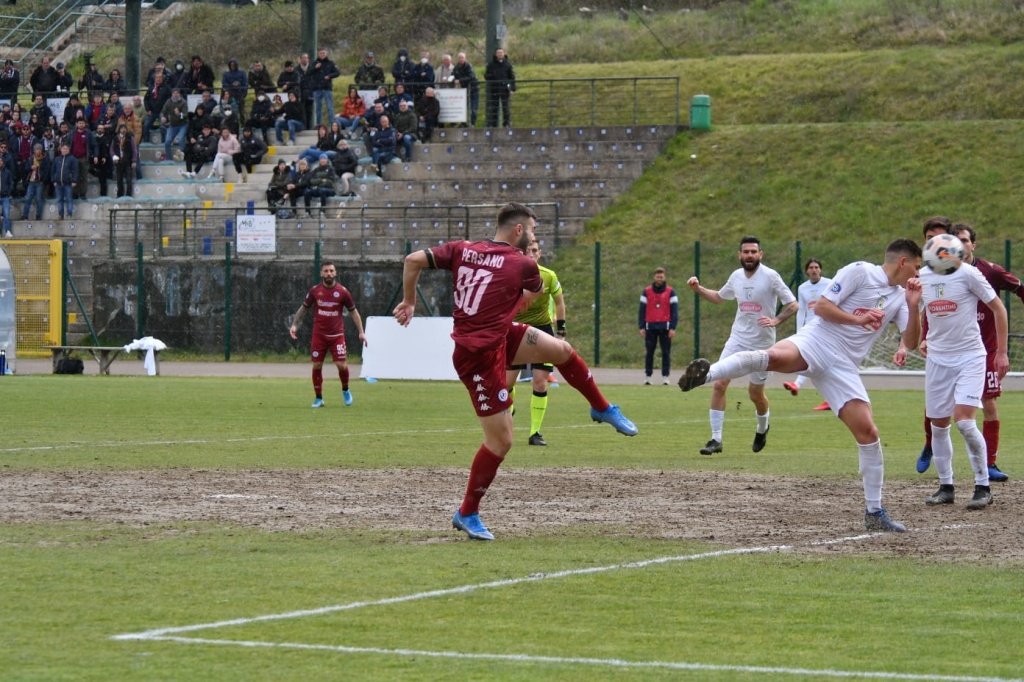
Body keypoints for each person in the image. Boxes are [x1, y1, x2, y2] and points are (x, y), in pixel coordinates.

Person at [393, 202, 638, 541]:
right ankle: (466, 512)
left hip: (501, 335)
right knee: (502, 440)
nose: (534, 239)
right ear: (519, 231)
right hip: (477, 354)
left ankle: (601, 407)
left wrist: (409, 301)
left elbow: (412, 260)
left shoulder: (463, 248)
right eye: (533, 231)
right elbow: (535, 292)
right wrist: (518, 296)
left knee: (562, 350)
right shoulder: (523, 263)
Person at [679, 239, 925, 533]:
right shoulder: (860, 271)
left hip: (843, 365)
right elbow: (822, 307)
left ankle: (874, 512)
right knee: (770, 357)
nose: (918, 273)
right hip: (818, 341)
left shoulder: (902, 295)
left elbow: (910, 342)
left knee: (869, 432)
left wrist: (913, 306)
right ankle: (705, 375)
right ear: (903, 262)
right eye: (917, 266)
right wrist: (857, 319)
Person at [918, 223, 1024, 484]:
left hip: (982, 349)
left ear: (973, 245)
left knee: (986, 404)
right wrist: (922, 338)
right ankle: (930, 445)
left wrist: (1001, 352)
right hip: (944, 350)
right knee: (936, 412)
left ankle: (989, 465)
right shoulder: (934, 274)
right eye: (957, 240)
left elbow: (1017, 293)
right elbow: (930, 309)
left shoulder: (987, 271)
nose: (962, 245)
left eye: (966, 240)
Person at [686, 236, 797, 455]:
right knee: (719, 384)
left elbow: (793, 304)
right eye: (745, 252)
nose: (749, 255)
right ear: (739, 255)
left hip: (763, 345)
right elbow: (719, 297)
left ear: (760, 254)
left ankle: (762, 428)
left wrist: (776, 320)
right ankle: (715, 440)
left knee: (755, 394)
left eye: (753, 252)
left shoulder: (771, 276)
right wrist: (698, 288)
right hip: (737, 340)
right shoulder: (736, 277)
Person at [506, 238, 566, 447]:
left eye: (534, 251)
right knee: (506, 384)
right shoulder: (512, 275)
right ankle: (509, 408)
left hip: (542, 331)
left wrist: (561, 331)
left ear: (539, 253)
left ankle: (535, 433)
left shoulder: (549, 276)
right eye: (526, 251)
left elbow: (559, 302)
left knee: (539, 382)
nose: (530, 254)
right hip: (515, 332)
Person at [289, 261, 367, 408]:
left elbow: (353, 312)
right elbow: (303, 308)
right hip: (319, 335)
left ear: (335, 273)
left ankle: (345, 389)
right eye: (326, 271)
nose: (329, 273)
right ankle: (319, 398)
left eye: (331, 271)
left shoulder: (343, 292)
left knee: (341, 365)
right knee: (317, 365)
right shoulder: (314, 291)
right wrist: (294, 325)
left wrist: (361, 332)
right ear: (321, 273)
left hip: (337, 335)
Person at [782, 258, 833, 410]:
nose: (814, 270)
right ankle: (799, 385)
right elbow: (802, 310)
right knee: (812, 360)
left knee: (815, 360)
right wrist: (799, 331)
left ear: (821, 270)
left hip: (825, 327)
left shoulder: (829, 283)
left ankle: (798, 384)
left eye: (817, 267)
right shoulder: (803, 288)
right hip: (810, 329)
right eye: (811, 267)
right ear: (806, 271)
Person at [638, 267, 678, 385]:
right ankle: (648, 376)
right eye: (657, 276)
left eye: (661, 277)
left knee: (666, 352)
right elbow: (642, 310)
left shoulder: (671, 292)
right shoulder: (647, 291)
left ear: (664, 277)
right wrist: (641, 326)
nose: (659, 279)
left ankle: (665, 376)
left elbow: (674, 311)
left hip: (665, 327)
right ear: (654, 277)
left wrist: (673, 327)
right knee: (649, 352)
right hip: (650, 327)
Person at [484, 48, 516, 127]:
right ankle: (493, 124)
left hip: (504, 89)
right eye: (498, 53)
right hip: (495, 88)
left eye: (501, 52)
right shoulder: (491, 64)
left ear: (504, 53)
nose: (500, 54)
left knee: (506, 107)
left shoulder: (508, 64)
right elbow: (486, 75)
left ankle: (506, 123)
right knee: (494, 107)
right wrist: (493, 76)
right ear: (496, 54)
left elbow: (512, 77)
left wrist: (512, 88)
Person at [310, 48, 340, 127]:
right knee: (318, 108)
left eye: (323, 53)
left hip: (327, 88)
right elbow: (308, 73)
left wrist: (329, 76)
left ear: (326, 53)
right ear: (318, 54)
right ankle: (319, 124)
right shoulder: (314, 63)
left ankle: (331, 123)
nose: (322, 55)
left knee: (329, 107)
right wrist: (315, 68)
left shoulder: (330, 63)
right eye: (320, 53)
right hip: (317, 88)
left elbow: (337, 73)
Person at [68, 119, 97, 201]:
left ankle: (83, 194)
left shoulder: (89, 134)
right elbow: (68, 144)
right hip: (74, 158)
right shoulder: (72, 133)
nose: (81, 125)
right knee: (74, 177)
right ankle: (75, 194)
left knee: (83, 177)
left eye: (82, 123)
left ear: (85, 124)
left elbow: (94, 145)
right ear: (77, 124)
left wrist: (95, 156)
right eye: (79, 123)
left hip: (84, 158)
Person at [19, 144, 49, 221]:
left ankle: (38, 216)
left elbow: (47, 171)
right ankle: (25, 216)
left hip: (39, 182)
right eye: (37, 149)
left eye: (39, 149)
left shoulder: (45, 159)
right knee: (28, 198)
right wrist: (30, 168)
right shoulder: (30, 159)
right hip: (31, 181)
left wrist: (43, 180)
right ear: (34, 150)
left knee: (39, 199)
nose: (38, 151)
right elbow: (25, 169)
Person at [110, 122, 138, 198]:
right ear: (119, 130)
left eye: (124, 128)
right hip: (118, 162)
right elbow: (111, 149)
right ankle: (120, 195)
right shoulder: (115, 139)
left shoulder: (130, 138)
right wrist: (113, 156)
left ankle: (128, 195)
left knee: (129, 180)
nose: (123, 130)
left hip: (128, 162)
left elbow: (134, 150)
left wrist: (134, 161)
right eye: (122, 129)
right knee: (119, 180)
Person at [51, 142, 78, 219]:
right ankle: (60, 214)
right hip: (58, 183)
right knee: (59, 199)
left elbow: (75, 171)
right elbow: (53, 171)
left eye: (66, 149)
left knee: (69, 199)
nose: (65, 150)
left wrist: (74, 181)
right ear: (61, 149)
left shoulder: (72, 159)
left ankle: (69, 214)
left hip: (68, 183)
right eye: (63, 148)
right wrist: (54, 180)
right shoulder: (56, 159)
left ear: (69, 150)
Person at [161, 89, 189, 161]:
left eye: (177, 93)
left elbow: (185, 115)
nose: (175, 94)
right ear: (172, 94)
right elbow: (163, 111)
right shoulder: (168, 101)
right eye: (174, 93)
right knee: (167, 142)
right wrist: (163, 117)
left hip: (182, 124)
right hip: (173, 125)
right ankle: (169, 159)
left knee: (181, 139)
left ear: (179, 94)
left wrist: (179, 114)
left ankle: (182, 157)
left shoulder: (183, 102)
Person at [453, 52, 480, 127]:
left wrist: (460, 80)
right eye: (459, 58)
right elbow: (453, 75)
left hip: (474, 88)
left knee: (473, 108)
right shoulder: (457, 67)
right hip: (464, 89)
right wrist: (452, 79)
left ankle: (472, 123)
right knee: (463, 107)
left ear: (465, 58)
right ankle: (463, 123)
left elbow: (471, 76)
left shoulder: (469, 66)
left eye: (462, 58)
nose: (461, 59)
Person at [0, 155, 13, 237]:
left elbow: (10, 183)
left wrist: (8, 193)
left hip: (5, 196)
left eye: (0, 161)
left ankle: (7, 231)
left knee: (7, 214)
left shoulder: (7, 172)